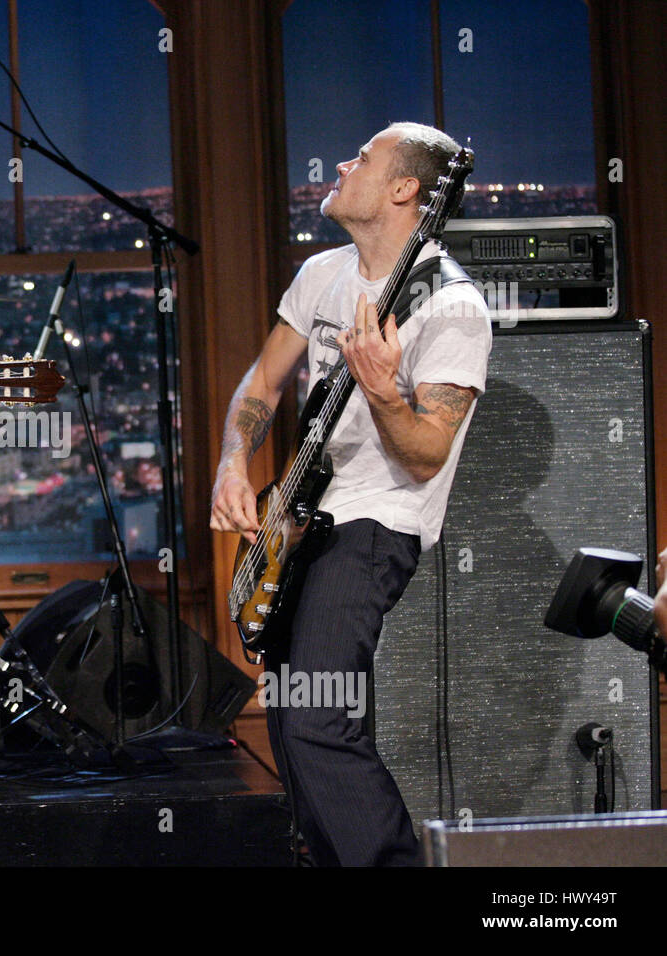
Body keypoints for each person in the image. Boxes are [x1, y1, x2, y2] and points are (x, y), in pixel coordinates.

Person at [209, 122, 491, 866]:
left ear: (404, 189)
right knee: (296, 729)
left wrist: (384, 394)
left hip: (375, 526)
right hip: (304, 521)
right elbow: (263, 383)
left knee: (320, 722)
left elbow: (429, 454)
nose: (340, 162)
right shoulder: (322, 274)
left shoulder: (451, 305)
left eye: (362, 157)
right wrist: (232, 461)